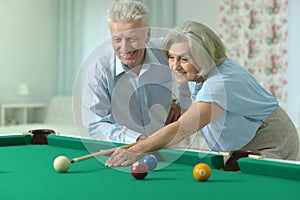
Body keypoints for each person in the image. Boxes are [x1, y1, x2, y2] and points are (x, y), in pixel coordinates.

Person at [105, 20, 299, 167]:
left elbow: (181, 129)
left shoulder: (220, 83)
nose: (174, 66)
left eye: (183, 59)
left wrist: (135, 151)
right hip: (244, 144)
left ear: (203, 56)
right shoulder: (200, 72)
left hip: (271, 142)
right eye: (171, 57)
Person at [81, 0, 191, 144]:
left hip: (168, 145)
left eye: (132, 38)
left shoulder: (166, 51)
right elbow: (95, 124)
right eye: (117, 39)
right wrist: (139, 141)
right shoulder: (98, 69)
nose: (124, 48)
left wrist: (183, 102)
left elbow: (194, 71)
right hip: (124, 150)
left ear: (148, 34)